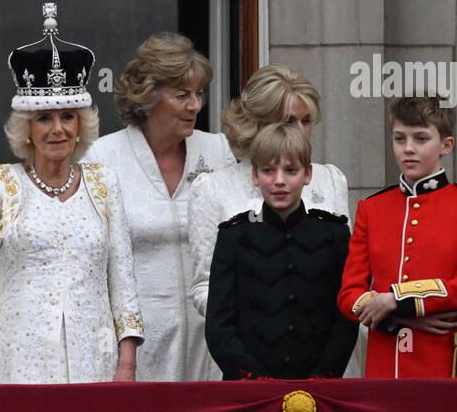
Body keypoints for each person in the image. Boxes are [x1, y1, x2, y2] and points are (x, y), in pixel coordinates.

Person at [0, 2, 144, 383]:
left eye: (67, 116)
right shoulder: (1, 182)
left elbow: (123, 281)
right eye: (44, 118)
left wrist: (126, 364)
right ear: (27, 128)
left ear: (81, 124)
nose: (57, 128)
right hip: (15, 359)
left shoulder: (103, 183)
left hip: (93, 358)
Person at [87, 32, 234, 381]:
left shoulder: (220, 152)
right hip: (137, 345)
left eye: (198, 94)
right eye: (182, 95)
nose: (195, 105)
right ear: (147, 96)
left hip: (211, 339)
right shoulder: (102, 158)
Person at [338, 96, 457, 378]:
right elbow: (349, 295)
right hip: (385, 358)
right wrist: (397, 314)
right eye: (400, 139)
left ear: (446, 145)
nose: (408, 149)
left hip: (443, 357)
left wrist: (395, 299)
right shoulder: (371, 208)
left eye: (421, 139)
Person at [187, 65, 349, 322]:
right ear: (255, 123)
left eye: (306, 120)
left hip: (324, 345)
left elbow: (347, 275)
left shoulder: (330, 179)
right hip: (246, 349)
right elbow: (204, 285)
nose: (300, 130)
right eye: (288, 121)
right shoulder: (213, 188)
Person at [205, 123, 357, 379]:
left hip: (319, 386)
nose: (279, 181)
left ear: (307, 174)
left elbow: (345, 319)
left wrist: (322, 377)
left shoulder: (334, 235)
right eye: (268, 170)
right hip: (250, 389)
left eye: (290, 170)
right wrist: (255, 380)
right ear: (254, 175)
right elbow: (219, 326)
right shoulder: (234, 237)